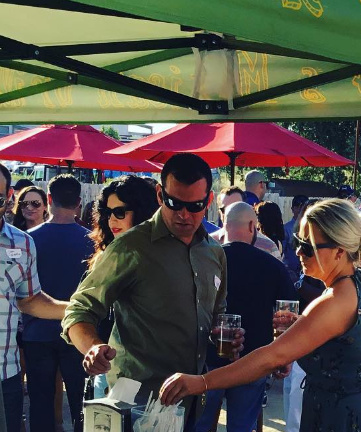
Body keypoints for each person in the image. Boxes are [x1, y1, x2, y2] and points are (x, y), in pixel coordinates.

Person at [158, 199, 361, 432]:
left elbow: (270, 357)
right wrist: (305, 329)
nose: (298, 252)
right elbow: (359, 344)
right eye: (298, 241)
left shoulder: (335, 301)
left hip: (345, 419)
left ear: (339, 251)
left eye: (307, 246)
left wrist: (201, 382)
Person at [63, 153, 236, 424]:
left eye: (195, 206)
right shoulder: (131, 247)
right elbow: (79, 309)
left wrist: (228, 337)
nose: (184, 214)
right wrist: (93, 347)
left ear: (209, 200)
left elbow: (216, 317)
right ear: (159, 195)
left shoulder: (214, 252)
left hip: (190, 400)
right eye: (174, 203)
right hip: (135, 402)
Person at [194, 202, 297, 432]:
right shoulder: (272, 266)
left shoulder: (206, 262)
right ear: (252, 226)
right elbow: (288, 313)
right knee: (242, 427)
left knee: (201, 425)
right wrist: (284, 356)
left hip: (207, 359)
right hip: (253, 362)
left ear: (224, 224)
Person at [21, 174, 93, 432]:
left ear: (49, 199)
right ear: (78, 202)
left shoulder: (28, 239)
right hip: (78, 332)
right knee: (82, 403)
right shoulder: (92, 242)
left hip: (36, 331)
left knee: (40, 402)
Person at [0, 164, 68, 432]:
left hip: (5, 374)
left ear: (9, 197)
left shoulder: (22, 243)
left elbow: (29, 300)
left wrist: (77, 310)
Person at [86, 175, 160, 398]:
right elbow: (81, 307)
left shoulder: (160, 255)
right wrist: (92, 344)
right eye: (107, 213)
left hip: (152, 370)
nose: (111, 220)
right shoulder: (108, 252)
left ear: (142, 211)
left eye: (120, 212)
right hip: (111, 366)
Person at [212, 187, 281, 260]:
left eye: (237, 207)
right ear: (220, 212)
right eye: (224, 209)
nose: (230, 212)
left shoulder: (268, 247)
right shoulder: (210, 243)